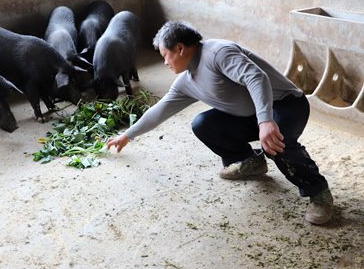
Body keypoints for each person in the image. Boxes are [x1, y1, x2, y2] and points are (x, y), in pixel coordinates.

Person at [107, 21, 333, 225]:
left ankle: (318, 192)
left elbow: (257, 77)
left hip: (286, 104)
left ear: (180, 48)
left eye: (165, 55)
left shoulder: (218, 53)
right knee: (203, 124)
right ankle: (251, 162)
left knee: (274, 142)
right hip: (253, 114)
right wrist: (128, 135)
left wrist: (265, 120)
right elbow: (160, 110)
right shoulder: (186, 81)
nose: (165, 62)